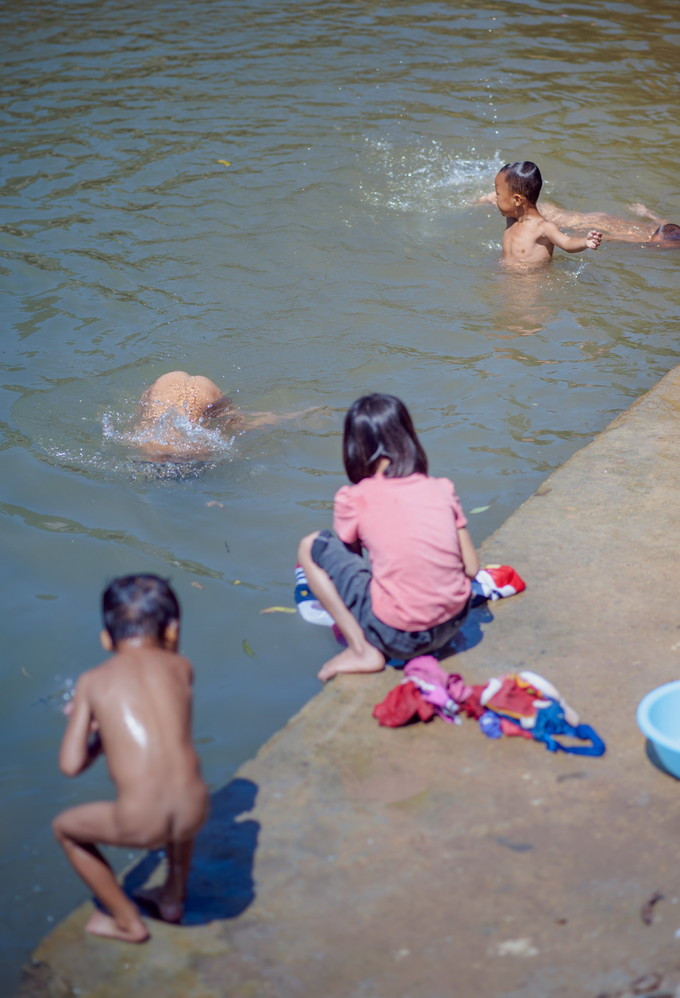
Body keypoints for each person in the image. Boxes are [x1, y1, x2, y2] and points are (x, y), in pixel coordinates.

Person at [52, 574, 209, 943]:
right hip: (196, 810)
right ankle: (172, 896)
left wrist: (93, 728)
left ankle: (127, 922)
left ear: (106, 638)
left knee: (65, 829)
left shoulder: (93, 681)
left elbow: (70, 765)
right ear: (172, 631)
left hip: (141, 822)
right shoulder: (182, 669)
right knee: (176, 788)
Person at [297, 394, 480, 682]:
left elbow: (351, 565)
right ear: (408, 437)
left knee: (311, 546)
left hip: (399, 638)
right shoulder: (442, 488)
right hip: (454, 622)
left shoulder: (353, 498)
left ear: (354, 446)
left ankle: (361, 650)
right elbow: (471, 568)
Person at [133, 370, 313, 461]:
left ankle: (299, 416)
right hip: (181, 388)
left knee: (241, 427)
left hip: (175, 386)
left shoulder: (151, 445)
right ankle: (299, 416)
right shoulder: (150, 445)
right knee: (240, 425)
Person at [478, 189, 680, 247]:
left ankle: (494, 198)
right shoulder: (643, 240)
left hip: (601, 217)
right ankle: (489, 198)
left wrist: (644, 211)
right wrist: (590, 238)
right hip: (587, 222)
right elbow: (614, 238)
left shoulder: (660, 229)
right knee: (549, 216)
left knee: (555, 215)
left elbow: (660, 222)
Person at [491, 161, 602, 267]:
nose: (496, 198)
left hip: (527, 284)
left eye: (498, 194)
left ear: (517, 200)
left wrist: (584, 242)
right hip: (506, 280)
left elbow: (567, 243)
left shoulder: (543, 228)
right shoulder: (511, 218)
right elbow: (505, 206)